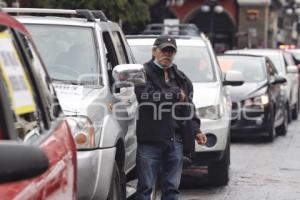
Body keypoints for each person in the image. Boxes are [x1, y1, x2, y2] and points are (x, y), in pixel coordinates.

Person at [134, 35, 207, 200]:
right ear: (154, 51)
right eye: (163, 50)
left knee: (172, 189)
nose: (167, 54)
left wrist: (196, 130)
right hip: (150, 139)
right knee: (145, 187)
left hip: (175, 139)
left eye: (171, 51)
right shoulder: (142, 73)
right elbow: (146, 96)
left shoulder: (181, 78)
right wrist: (174, 93)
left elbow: (189, 107)